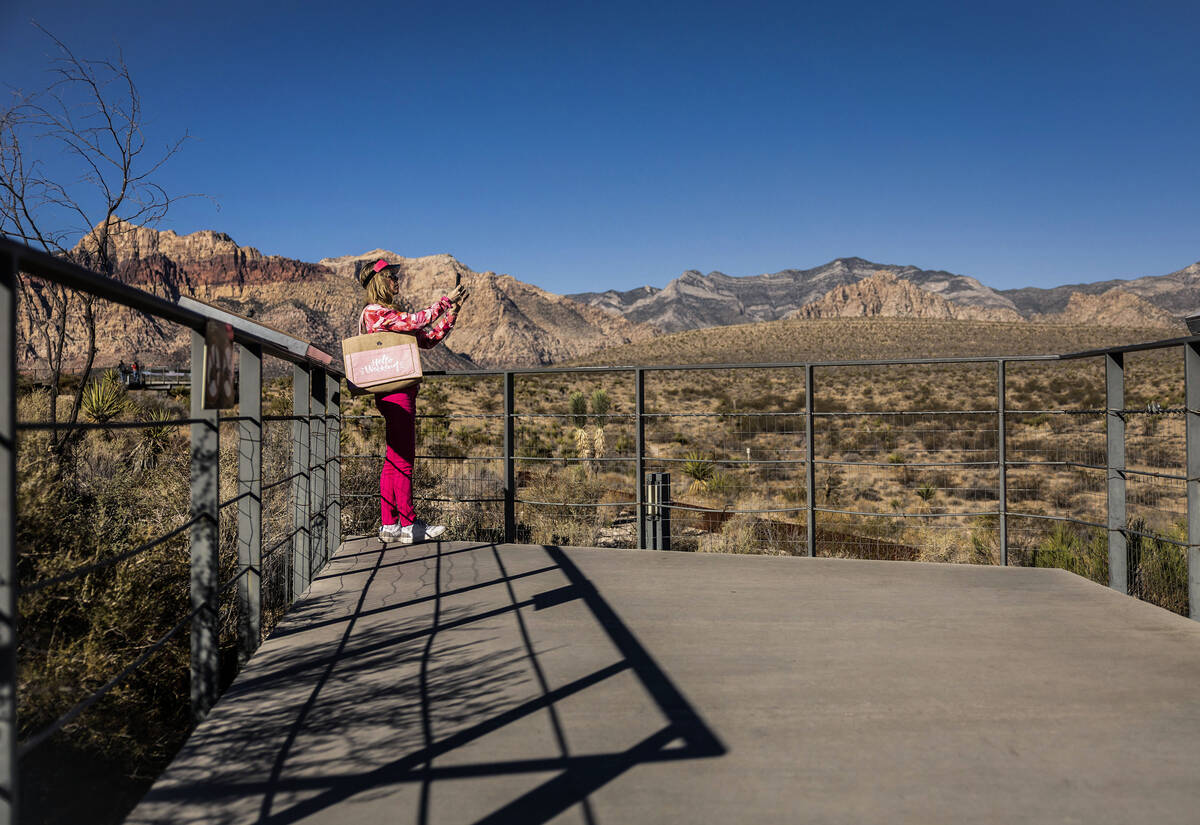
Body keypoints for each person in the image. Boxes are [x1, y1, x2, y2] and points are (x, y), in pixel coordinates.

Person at [357, 258, 469, 544]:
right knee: (404, 459)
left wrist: (451, 314)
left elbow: (428, 338)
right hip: (396, 393)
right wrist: (445, 301)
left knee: (393, 459)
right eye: (392, 276)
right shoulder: (375, 313)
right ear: (379, 280)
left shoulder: (387, 316)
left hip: (395, 392)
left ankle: (389, 524)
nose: (397, 280)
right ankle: (409, 525)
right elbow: (418, 321)